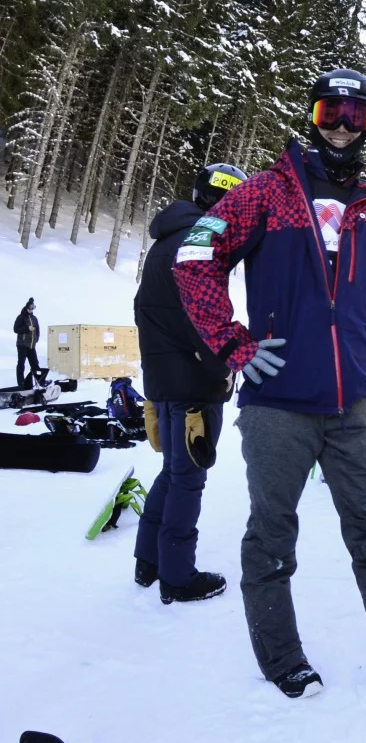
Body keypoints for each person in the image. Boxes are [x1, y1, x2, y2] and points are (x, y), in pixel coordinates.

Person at [175, 68, 366, 699]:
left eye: (359, 116)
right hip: (278, 407)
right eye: (332, 112)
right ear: (312, 115)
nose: (344, 127)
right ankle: (281, 657)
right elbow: (194, 260)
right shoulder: (267, 192)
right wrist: (232, 344)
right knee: (272, 532)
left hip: (354, 404)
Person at [131, 163, 245, 603]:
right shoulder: (196, 245)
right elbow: (204, 321)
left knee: (173, 474)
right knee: (188, 480)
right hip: (191, 387)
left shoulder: (167, 242)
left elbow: (153, 314)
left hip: (165, 382)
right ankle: (177, 576)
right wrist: (222, 367)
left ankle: (149, 560)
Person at [12, 298, 41, 389]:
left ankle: (40, 381)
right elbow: (16, 329)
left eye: (32, 309)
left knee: (35, 364)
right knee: (21, 363)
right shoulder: (21, 317)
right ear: (26, 308)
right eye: (30, 308)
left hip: (31, 345)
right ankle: (21, 383)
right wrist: (27, 328)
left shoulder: (34, 318)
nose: (31, 310)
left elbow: (37, 331)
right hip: (22, 344)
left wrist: (36, 340)